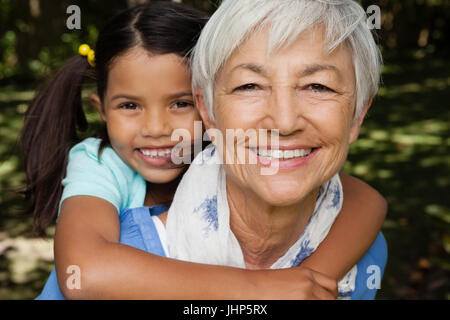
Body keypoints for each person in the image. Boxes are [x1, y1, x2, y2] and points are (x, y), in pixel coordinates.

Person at [25, 1, 386, 300]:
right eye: (250, 85)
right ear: (212, 109)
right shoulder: (101, 166)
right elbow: (85, 272)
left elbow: (367, 201)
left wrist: (312, 278)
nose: (156, 130)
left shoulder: (360, 249)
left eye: (318, 86)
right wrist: (261, 290)